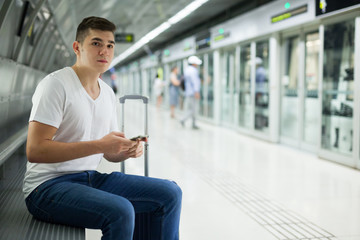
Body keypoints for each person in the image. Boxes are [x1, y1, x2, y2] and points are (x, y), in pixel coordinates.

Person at [24, 16, 182, 240]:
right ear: (77, 47)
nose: (104, 51)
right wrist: (99, 145)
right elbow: (35, 150)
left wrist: (125, 150)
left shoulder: (107, 92)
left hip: (89, 178)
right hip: (46, 187)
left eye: (110, 45)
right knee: (121, 211)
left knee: (170, 193)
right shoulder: (56, 85)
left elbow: (108, 152)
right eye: (96, 43)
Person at [180, 55, 202, 129]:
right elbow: (194, 81)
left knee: (191, 109)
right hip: (193, 93)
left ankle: (192, 123)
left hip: (188, 93)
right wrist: (196, 91)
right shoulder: (193, 70)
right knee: (194, 109)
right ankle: (184, 120)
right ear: (193, 63)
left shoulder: (187, 70)